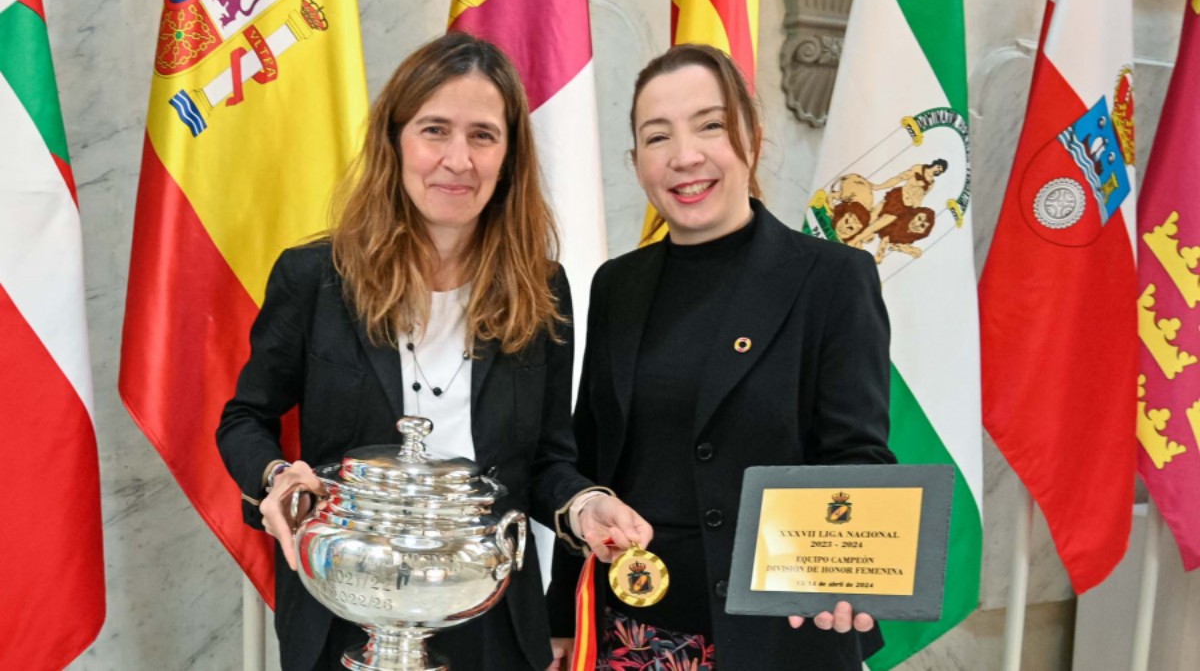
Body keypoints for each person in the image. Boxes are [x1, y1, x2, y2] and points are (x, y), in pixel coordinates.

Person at [216, 33, 650, 671]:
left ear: (509, 156)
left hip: (490, 618)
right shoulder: (316, 278)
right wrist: (277, 477)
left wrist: (586, 507)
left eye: (483, 135)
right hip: (346, 607)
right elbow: (244, 419)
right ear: (394, 142)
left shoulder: (541, 287)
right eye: (435, 130)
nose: (458, 159)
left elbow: (546, 460)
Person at [545, 44, 896, 670]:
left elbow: (855, 454)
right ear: (636, 162)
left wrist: (851, 574)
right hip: (630, 639)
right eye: (658, 136)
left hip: (779, 639)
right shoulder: (617, 285)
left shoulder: (832, 278)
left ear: (752, 138)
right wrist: (559, 618)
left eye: (710, 125)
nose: (685, 156)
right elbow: (591, 456)